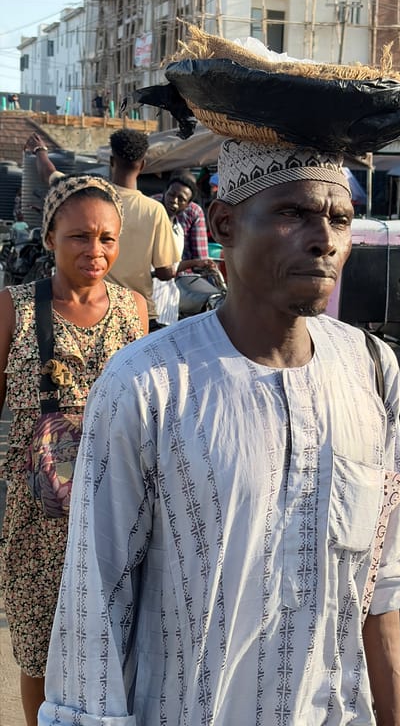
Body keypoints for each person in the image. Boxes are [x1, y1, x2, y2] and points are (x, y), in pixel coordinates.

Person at [39, 139, 400, 726]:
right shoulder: (148, 384)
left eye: (339, 219)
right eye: (293, 213)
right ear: (225, 224)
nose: (324, 239)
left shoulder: (370, 368)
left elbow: (381, 582)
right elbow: (95, 601)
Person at [0, 174, 148, 726]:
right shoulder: (13, 309)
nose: (96, 250)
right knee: (40, 651)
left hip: (119, 510)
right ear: (50, 238)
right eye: (80, 237)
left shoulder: (134, 310)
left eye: (107, 238)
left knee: (118, 646)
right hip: (38, 523)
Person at [25, 130, 180, 331]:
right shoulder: (155, 210)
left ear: (111, 161)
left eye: (107, 239)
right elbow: (165, 271)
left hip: (88, 308)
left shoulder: (84, 197)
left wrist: (40, 151)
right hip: (136, 316)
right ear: (143, 165)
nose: (95, 251)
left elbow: (50, 174)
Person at [152, 172, 217, 317]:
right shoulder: (152, 211)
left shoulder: (179, 229)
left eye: (181, 199)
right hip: (156, 284)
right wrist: (197, 263)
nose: (174, 201)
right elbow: (166, 270)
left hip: (173, 285)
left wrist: (200, 264)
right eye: (171, 195)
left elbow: (173, 267)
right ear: (165, 192)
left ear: (187, 204)